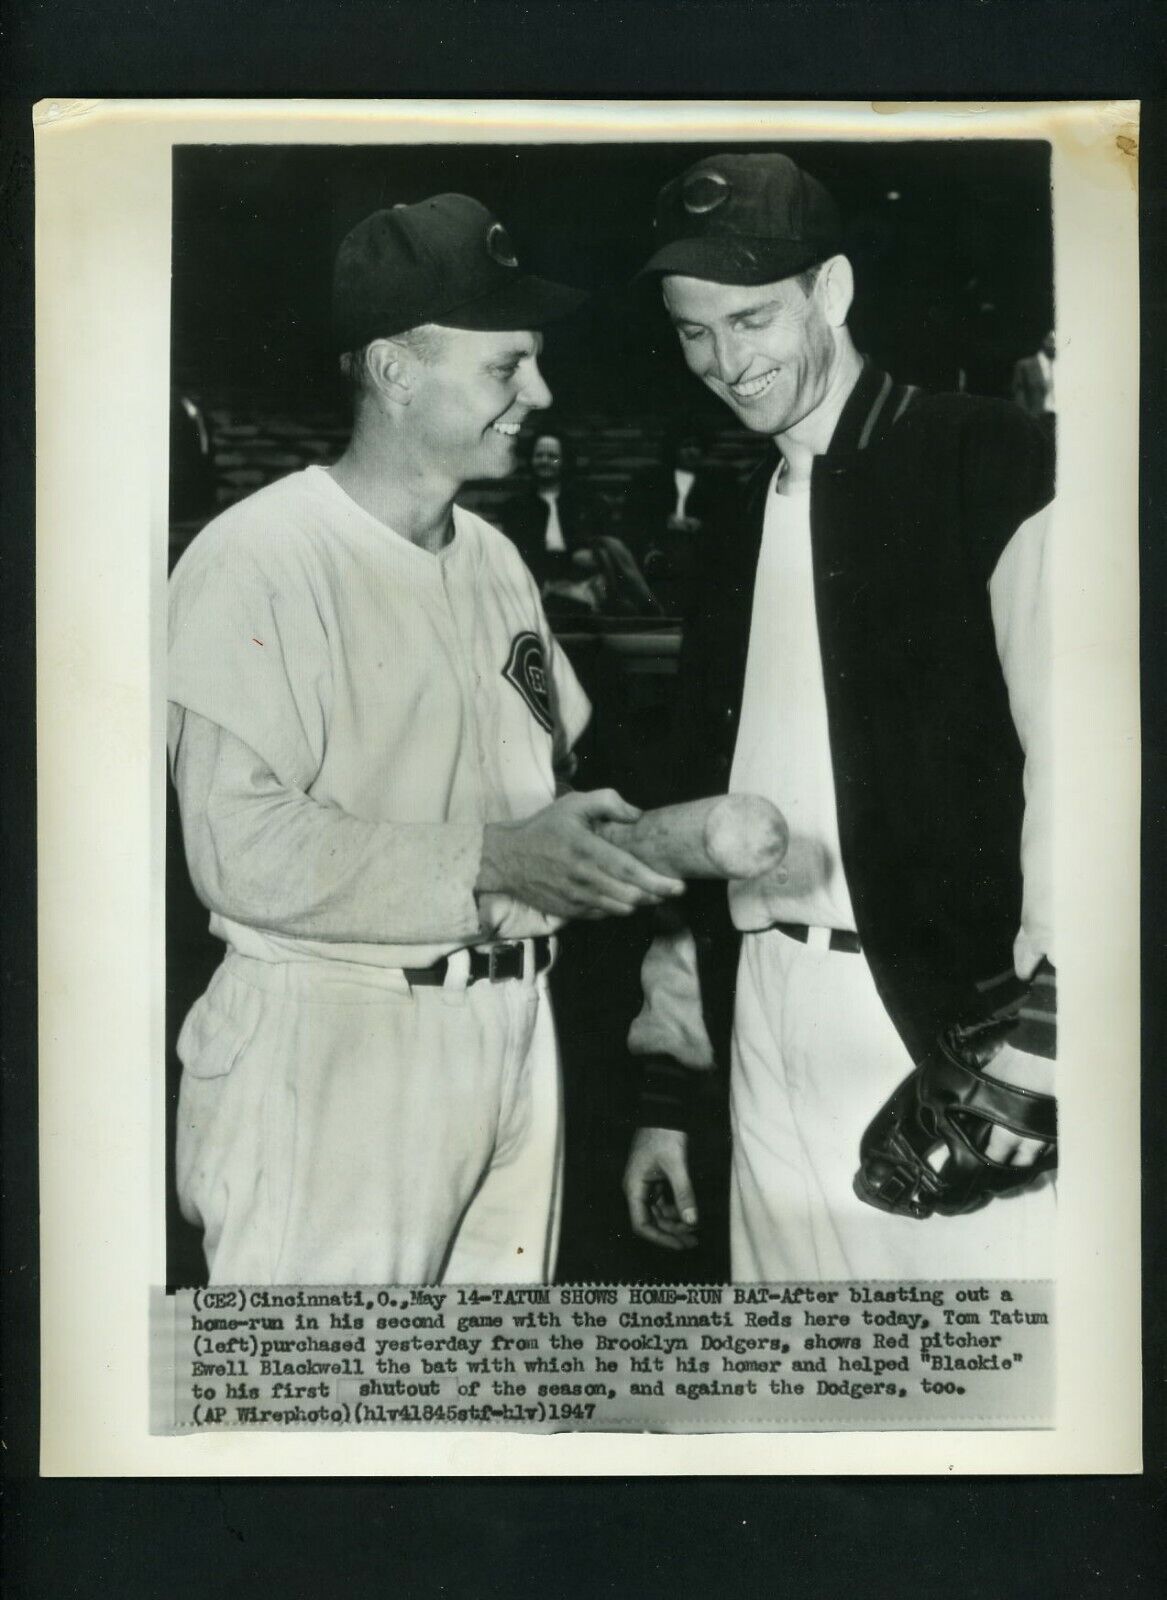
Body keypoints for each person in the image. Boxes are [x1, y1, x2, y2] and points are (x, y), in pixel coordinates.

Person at [168, 193, 684, 1286]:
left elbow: (551, 791)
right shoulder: (259, 557)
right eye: (508, 367)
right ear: (397, 371)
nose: (539, 395)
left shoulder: (497, 559)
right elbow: (238, 850)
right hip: (335, 1041)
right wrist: (494, 859)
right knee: (318, 1433)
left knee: (479, 1431)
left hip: (513, 1031)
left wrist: (670, 840)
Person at [621, 153, 1057, 1281]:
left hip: (947, 1033)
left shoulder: (987, 456)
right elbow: (689, 802)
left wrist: (1046, 1035)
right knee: (791, 1404)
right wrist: (671, 1082)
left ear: (834, 290)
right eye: (693, 332)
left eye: (752, 318)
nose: (724, 362)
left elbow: (1088, 763)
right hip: (764, 1011)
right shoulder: (729, 512)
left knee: (980, 1421)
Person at [621, 417, 737, 614]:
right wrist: (665, 523)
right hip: (659, 542)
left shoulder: (718, 482)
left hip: (700, 545)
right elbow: (636, 518)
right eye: (685, 446)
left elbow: (727, 521)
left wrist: (700, 525)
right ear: (674, 448)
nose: (692, 452)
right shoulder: (651, 479)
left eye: (696, 446)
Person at [498, 427, 607, 587]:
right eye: (539, 455)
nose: (544, 461)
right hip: (532, 582)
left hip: (580, 583)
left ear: (564, 461)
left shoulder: (586, 503)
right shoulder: (516, 507)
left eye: (553, 456)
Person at [1011, 329, 1057, 444]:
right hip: (1036, 423)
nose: (1056, 345)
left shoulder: (1064, 366)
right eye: (1052, 340)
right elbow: (1019, 401)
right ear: (1044, 341)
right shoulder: (1025, 366)